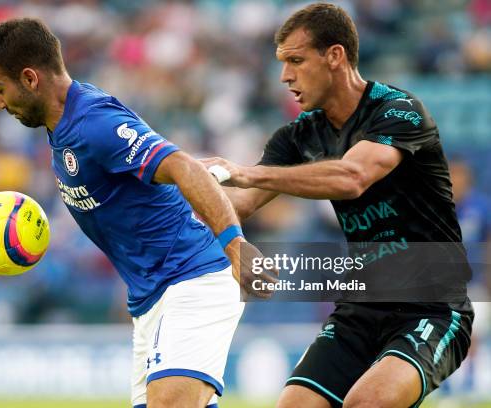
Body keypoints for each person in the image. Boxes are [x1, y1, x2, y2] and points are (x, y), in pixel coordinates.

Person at [0, 18, 276, 408]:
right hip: (151, 301)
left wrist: (236, 247)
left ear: (29, 78)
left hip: (194, 279)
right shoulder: (61, 126)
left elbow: (183, 166)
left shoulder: (93, 123)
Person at [202, 3, 473, 408]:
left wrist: (245, 172)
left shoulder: (398, 111)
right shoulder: (297, 137)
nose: (284, 76)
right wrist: (186, 189)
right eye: (281, 63)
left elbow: (352, 178)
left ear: (335, 56)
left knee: (367, 403)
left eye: (295, 60)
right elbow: (238, 206)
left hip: (432, 308)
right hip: (359, 309)